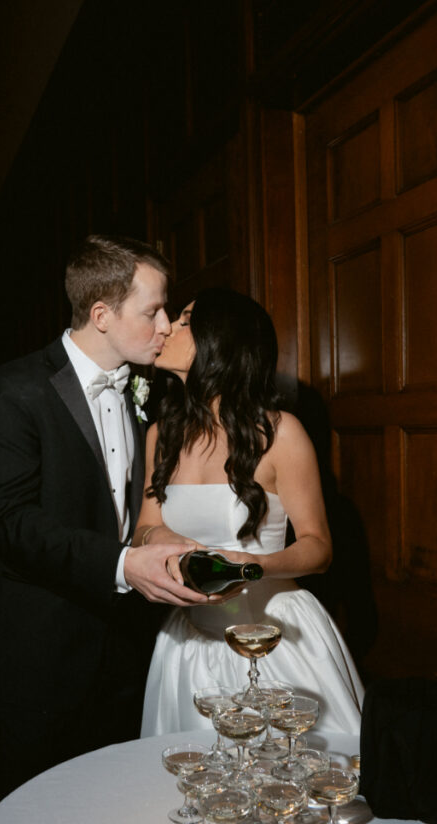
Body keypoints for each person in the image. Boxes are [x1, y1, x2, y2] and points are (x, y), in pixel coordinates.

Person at [0, 234, 207, 793]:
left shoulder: (146, 386)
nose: (167, 325)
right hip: (46, 653)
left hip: (129, 651)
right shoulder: (17, 389)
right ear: (101, 314)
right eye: (153, 310)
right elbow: (9, 522)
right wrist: (123, 565)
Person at [135, 288, 365, 737]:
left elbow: (318, 548)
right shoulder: (161, 434)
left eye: (184, 321)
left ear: (219, 341)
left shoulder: (281, 433)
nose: (168, 328)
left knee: (289, 782)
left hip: (273, 637)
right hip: (188, 642)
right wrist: (169, 547)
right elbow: (146, 527)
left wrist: (256, 566)